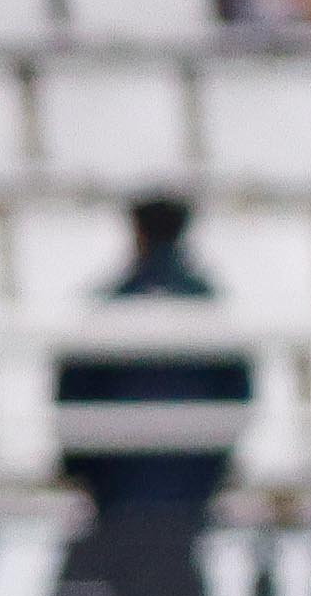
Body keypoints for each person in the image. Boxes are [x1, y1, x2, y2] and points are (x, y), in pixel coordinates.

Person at [57, 192, 251, 514]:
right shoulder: (206, 303)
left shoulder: (110, 302)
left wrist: (78, 465)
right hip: (194, 472)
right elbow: (237, 387)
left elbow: (75, 386)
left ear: (137, 232)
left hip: (116, 477)